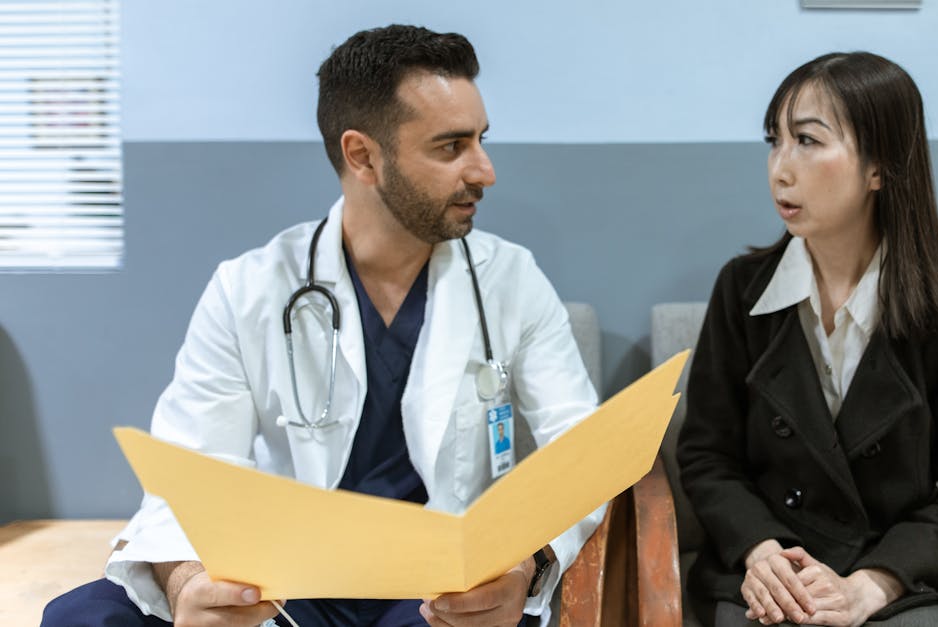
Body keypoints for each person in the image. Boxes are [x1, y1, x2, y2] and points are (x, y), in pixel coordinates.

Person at [42, 24, 600, 627]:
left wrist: (525, 564)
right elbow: (188, 470)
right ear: (362, 156)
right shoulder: (249, 288)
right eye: (451, 147)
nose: (484, 171)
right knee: (80, 617)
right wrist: (188, 583)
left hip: (433, 588)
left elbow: (582, 451)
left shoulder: (511, 279)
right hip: (283, 578)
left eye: (481, 140)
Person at [676, 52, 938, 627]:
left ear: (879, 167)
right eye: (775, 141)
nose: (780, 169)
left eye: (808, 141)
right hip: (771, 570)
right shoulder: (742, 291)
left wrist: (871, 585)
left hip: (905, 577)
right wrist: (762, 552)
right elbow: (708, 456)